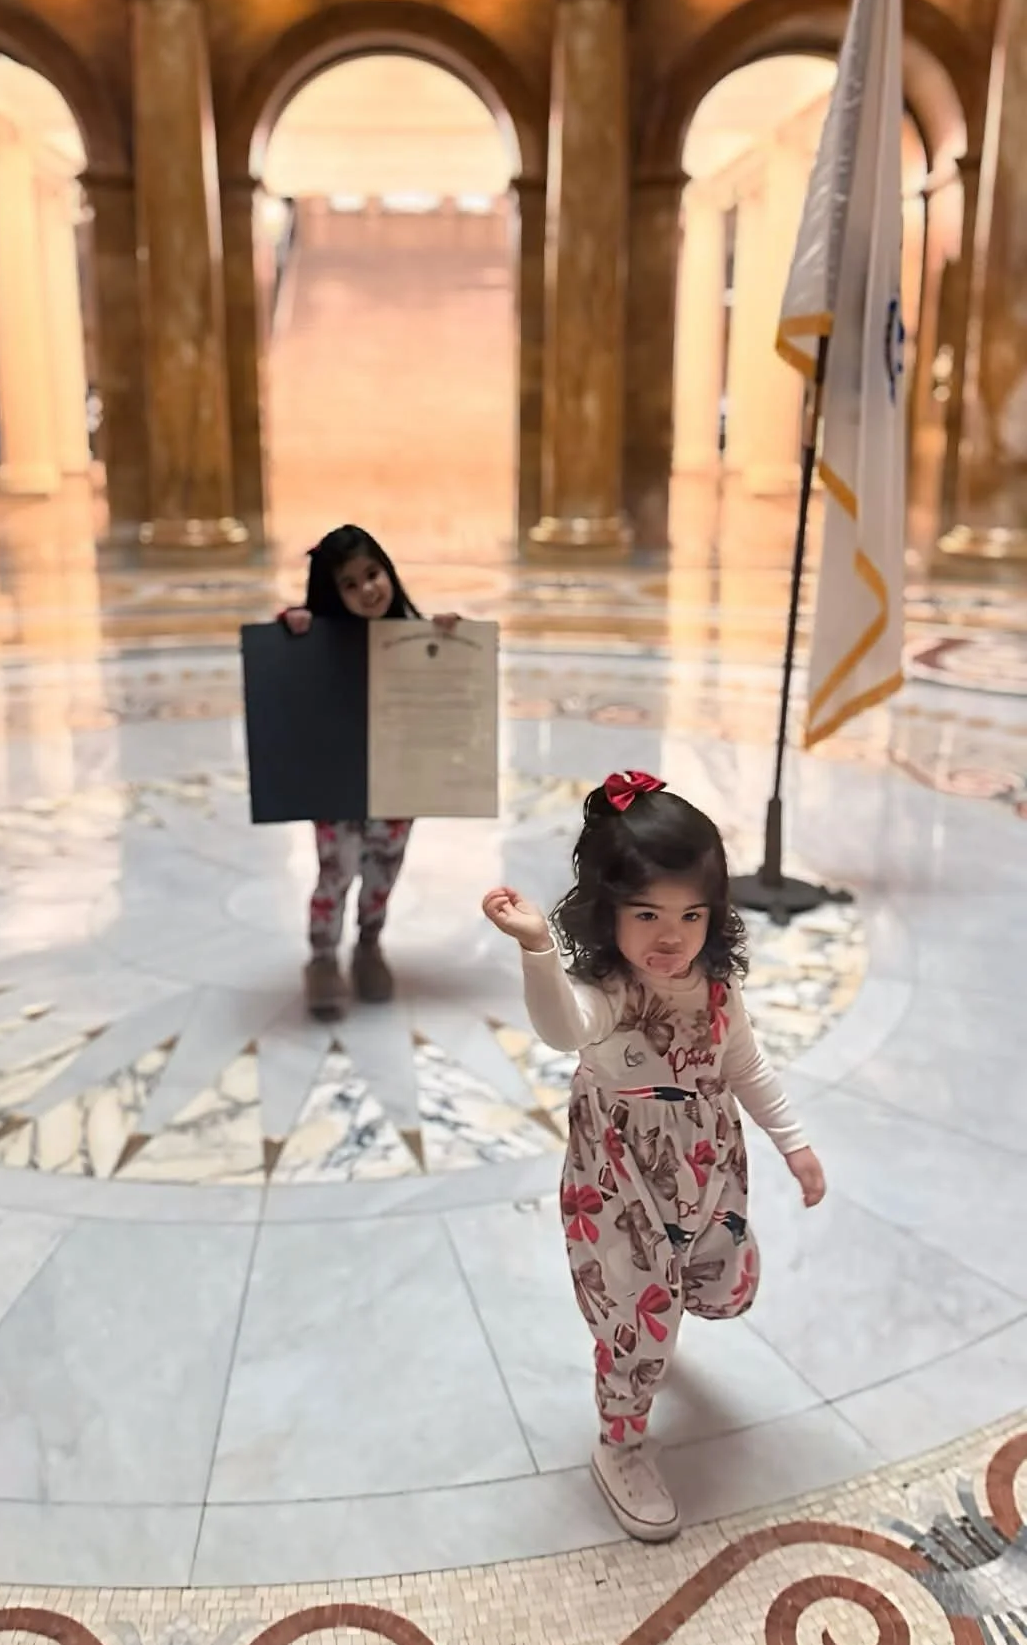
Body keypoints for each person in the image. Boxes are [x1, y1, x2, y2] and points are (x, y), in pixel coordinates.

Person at [482, 770, 826, 1544]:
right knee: (634, 1318)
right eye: (646, 915)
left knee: (721, 1284)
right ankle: (621, 1444)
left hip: (708, 1168)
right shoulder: (608, 995)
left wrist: (795, 1142)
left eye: (690, 915)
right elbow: (562, 1029)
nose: (671, 938)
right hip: (620, 1184)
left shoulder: (714, 988)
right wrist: (537, 949)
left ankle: (663, 1317)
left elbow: (745, 1066)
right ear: (608, 913)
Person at [282, 524, 459, 1021]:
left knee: (383, 870)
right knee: (335, 873)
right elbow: (285, 664)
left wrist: (450, 638)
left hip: (398, 786)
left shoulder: (414, 636)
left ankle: (368, 946)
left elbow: (454, 692)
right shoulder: (316, 640)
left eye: (373, 574)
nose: (367, 589)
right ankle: (322, 958)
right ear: (332, 592)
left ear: (389, 571)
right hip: (337, 789)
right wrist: (293, 625)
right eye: (350, 583)